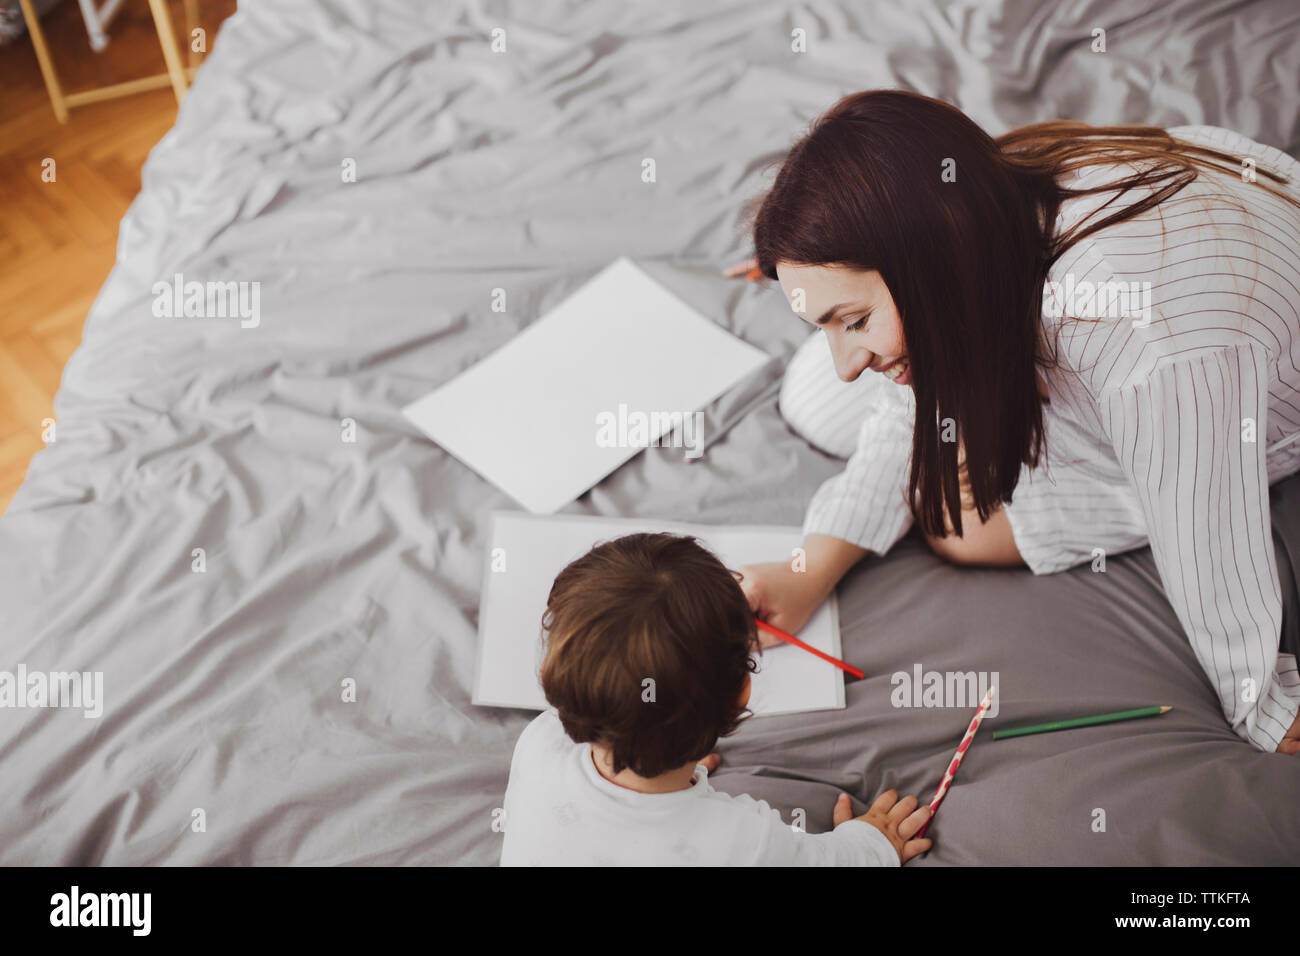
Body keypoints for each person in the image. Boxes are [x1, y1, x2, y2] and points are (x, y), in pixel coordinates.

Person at [733, 89, 1300, 754]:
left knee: (959, 524)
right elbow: (904, 408)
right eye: (828, 323)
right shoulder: (985, 191)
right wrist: (809, 569)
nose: (846, 364)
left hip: (1232, 396)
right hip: (1210, 242)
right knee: (813, 400)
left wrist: (1255, 697)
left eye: (852, 322)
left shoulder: (1152, 339)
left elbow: (1202, 521)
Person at [499, 532, 932, 865]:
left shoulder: (539, 743)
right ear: (741, 691)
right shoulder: (743, 841)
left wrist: (658, 749)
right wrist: (876, 840)